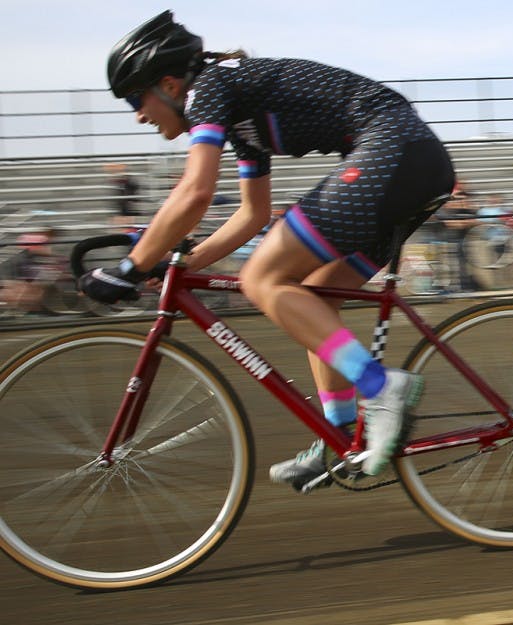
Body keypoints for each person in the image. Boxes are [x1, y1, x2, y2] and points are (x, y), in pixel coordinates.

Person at [79, 11, 455, 488]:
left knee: (261, 278)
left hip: (391, 149)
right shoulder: (239, 115)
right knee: (311, 300)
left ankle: (381, 388)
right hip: (410, 158)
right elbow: (252, 214)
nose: (137, 114)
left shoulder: (208, 88)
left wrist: (132, 265)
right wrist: (181, 263)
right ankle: (340, 434)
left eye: (136, 99)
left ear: (169, 85)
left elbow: (195, 191)